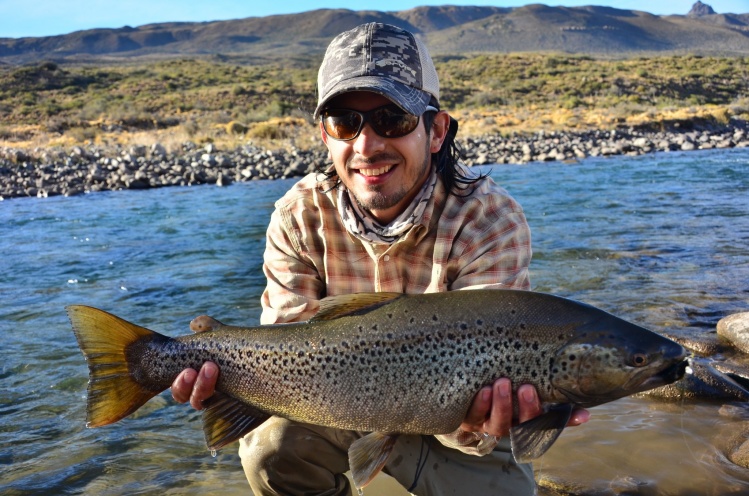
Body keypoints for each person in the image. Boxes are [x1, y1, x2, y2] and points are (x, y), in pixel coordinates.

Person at [171, 22, 588, 495]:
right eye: (345, 123)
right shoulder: (298, 215)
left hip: (455, 430)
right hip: (331, 403)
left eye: (392, 119)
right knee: (269, 446)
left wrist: (481, 416)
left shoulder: (489, 221)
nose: (367, 146)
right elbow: (284, 350)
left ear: (436, 131)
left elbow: (486, 409)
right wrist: (231, 386)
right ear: (325, 136)